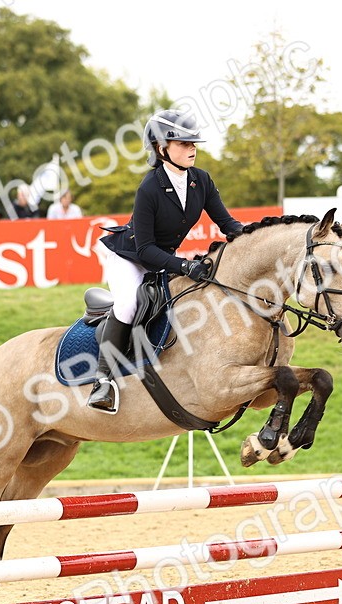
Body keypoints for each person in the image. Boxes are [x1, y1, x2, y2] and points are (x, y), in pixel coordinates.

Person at [88, 109, 244, 413]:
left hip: (164, 258)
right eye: (184, 143)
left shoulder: (201, 180)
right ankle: (103, 382)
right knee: (129, 305)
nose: (192, 148)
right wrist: (185, 266)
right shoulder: (149, 188)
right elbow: (145, 249)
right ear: (162, 149)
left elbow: (228, 224)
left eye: (193, 143)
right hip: (130, 258)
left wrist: (255, 235)